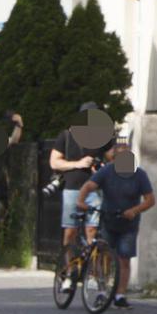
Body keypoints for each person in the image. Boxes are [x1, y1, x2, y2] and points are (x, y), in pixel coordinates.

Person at [78, 141, 155, 309]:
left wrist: (135, 210)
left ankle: (120, 295)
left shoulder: (139, 175)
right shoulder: (107, 171)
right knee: (103, 255)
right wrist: (81, 201)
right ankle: (101, 291)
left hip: (129, 222)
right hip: (108, 219)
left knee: (124, 259)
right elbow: (89, 185)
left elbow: (150, 200)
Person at [51, 103, 103, 263]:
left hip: (93, 190)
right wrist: (77, 164)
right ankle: (70, 268)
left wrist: (101, 168)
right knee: (70, 230)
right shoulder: (66, 136)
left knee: (92, 229)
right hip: (72, 188)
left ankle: (93, 271)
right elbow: (54, 162)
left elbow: (113, 157)